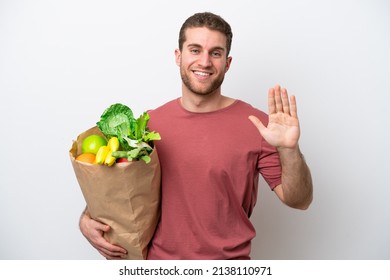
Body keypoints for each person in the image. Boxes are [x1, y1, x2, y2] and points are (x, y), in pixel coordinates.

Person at [79, 12, 313, 260]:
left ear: (227, 62)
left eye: (215, 53)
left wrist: (289, 149)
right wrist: (86, 217)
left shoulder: (258, 125)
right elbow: (121, 187)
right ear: (178, 56)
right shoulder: (148, 124)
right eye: (195, 49)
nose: (204, 62)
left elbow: (300, 200)